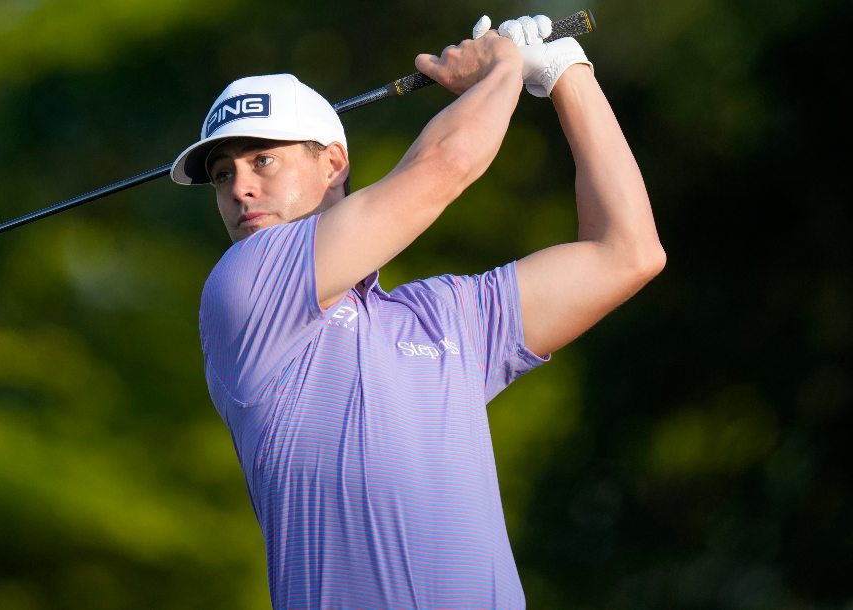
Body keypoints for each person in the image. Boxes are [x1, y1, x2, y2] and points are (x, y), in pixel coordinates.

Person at [170, 14, 664, 609]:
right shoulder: (245, 285)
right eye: (223, 175)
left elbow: (627, 251)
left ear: (333, 163)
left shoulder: (444, 317)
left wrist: (566, 72)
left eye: (262, 161)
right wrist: (504, 65)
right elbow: (446, 165)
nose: (239, 189)